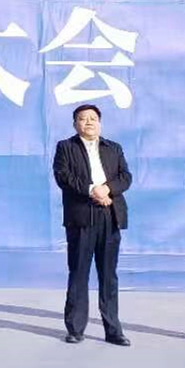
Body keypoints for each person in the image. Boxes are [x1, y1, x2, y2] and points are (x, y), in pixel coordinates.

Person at [52, 103, 131, 346]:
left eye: (93, 118)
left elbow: (125, 177)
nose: (88, 122)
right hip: (81, 217)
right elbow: (63, 176)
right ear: (75, 124)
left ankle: (113, 330)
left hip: (110, 213)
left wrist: (107, 189)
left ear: (100, 122)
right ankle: (75, 328)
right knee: (79, 273)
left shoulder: (113, 148)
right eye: (82, 118)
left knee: (109, 275)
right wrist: (91, 190)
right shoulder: (66, 147)